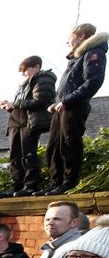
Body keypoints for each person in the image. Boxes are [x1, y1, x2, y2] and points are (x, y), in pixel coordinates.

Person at [39, 24, 107, 195]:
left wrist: (67, 100)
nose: (67, 42)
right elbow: (66, 86)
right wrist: (56, 102)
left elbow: (93, 82)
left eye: (69, 38)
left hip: (74, 106)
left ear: (81, 36)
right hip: (62, 107)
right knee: (54, 147)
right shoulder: (76, 57)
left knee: (69, 144)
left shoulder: (94, 53)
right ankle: (56, 182)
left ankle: (69, 182)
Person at [0, 55, 55, 198]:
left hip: (29, 122)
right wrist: (8, 106)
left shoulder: (44, 79)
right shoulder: (24, 84)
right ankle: (16, 185)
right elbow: (21, 105)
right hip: (16, 122)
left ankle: (30, 185)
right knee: (15, 156)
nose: (23, 74)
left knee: (28, 154)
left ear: (36, 67)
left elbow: (40, 101)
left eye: (25, 70)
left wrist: (14, 104)